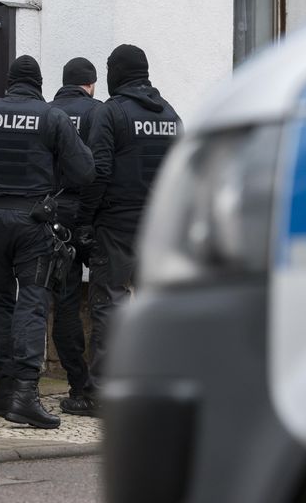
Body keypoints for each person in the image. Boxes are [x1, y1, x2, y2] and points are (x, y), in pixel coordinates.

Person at [0, 55, 94, 429]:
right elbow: (85, 171)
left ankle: (3, 388)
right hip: (33, 221)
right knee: (32, 300)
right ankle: (25, 394)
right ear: (39, 83)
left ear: (9, 83)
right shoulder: (51, 117)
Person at [76, 44, 182, 408]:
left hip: (118, 224)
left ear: (116, 72)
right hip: (160, 226)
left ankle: (103, 391)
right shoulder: (171, 115)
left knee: (110, 304)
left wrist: (84, 221)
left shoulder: (111, 113)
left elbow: (99, 171)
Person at [48, 57, 102, 416]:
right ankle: (103, 383)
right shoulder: (102, 112)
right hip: (94, 215)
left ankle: (77, 383)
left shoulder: (47, 113)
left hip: (54, 215)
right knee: (106, 300)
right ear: (92, 83)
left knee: (64, 301)